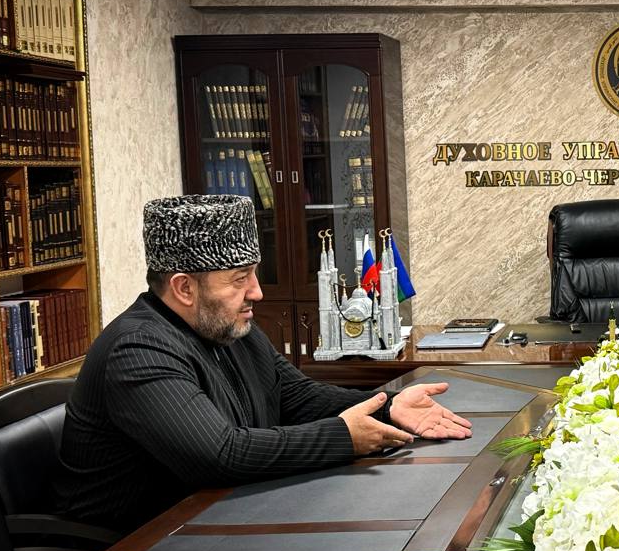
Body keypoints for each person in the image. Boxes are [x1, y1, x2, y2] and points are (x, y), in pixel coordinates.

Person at [59, 195, 471, 532]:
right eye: (240, 279)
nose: (256, 292)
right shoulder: (137, 349)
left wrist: (388, 407)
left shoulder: (225, 325)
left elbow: (296, 396)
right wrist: (345, 437)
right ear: (184, 288)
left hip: (218, 521)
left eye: (254, 275)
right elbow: (220, 454)